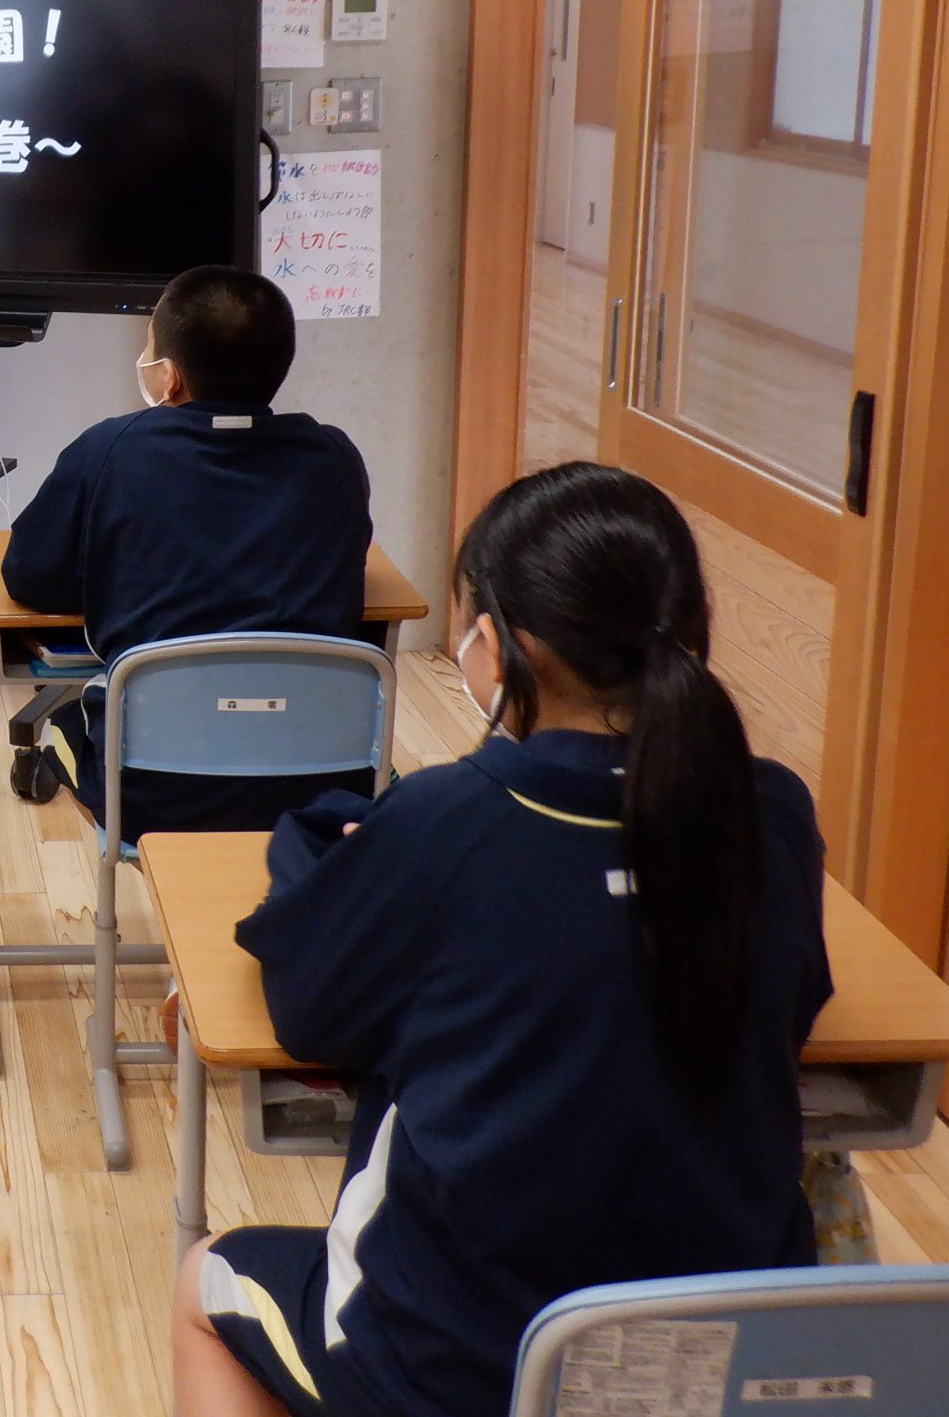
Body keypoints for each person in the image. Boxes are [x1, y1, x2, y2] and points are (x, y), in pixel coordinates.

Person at [174, 462, 832, 1417]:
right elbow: (797, 1000)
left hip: (465, 1364)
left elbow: (309, 1012)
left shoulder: (451, 822)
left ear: (504, 645)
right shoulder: (769, 810)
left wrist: (337, 863)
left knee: (206, 1279)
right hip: (727, 1354)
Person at [2, 265, 373, 837]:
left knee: (73, 724)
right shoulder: (334, 458)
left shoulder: (110, 451)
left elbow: (28, 577)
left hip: (149, 798)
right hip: (324, 789)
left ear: (169, 377)